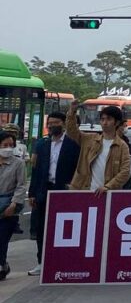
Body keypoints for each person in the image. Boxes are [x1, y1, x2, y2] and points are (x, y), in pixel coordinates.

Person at [27, 112, 79, 276]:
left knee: (64, 228)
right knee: (42, 228)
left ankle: (63, 260)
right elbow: (35, 170)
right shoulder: (42, 144)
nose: (51, 126)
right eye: (49, 123)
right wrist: (32, 193)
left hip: (63, 190)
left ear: (63, 124)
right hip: (44, 189)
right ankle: (41, 262)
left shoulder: (73, 144)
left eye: (55, 123)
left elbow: (78, 168)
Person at [65, 99, 131, 194]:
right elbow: (71, 131)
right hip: (84, 191)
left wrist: (108, 187)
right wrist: (72, 111)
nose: (104, 122)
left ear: (116, 123)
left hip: (108, 195)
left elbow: (125, 171)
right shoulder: (89, 139)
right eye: (102, 119)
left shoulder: (122, 146)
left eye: (108, 119)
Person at [0, 132, 27, 280]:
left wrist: (14, 203)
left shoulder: (18, 163)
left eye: (11, 145)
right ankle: (3, 265)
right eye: (5, 145)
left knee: (2, 238)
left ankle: (1, 265)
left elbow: (21, 186)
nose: (8, 148)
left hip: (8, 206)